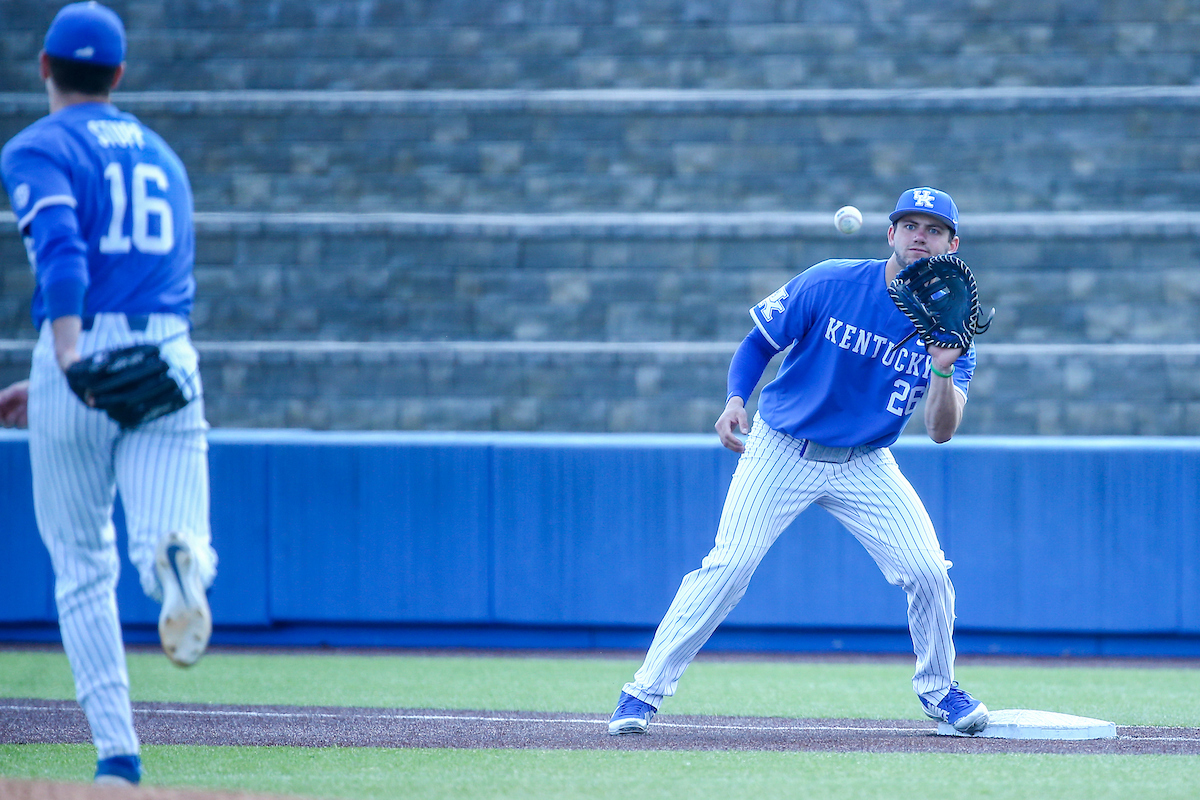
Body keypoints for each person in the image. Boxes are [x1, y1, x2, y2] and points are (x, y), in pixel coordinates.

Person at [608, 187, 989, 737]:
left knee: (929, 572)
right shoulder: (831, 280)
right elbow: (759, 342)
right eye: (909, 226)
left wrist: (944, 368)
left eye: (932, 229)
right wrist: (736, 398)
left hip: (866, 462)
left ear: (952, 245)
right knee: (730, 568)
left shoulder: (953, 330)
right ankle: (642, 693)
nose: (919, 237)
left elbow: (939, 431)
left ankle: (941, 692)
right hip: (782, 447)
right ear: (891, 235)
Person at [0, 2, 216, 785]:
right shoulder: (163, 156)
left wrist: (65, 362)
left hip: (78, 346)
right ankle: (176, 563)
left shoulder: (36, 146)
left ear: (45, 68)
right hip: (164, 351)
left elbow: (60, 253)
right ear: (119, 74)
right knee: (166, 526)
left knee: (82, 567)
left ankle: (117, 759)